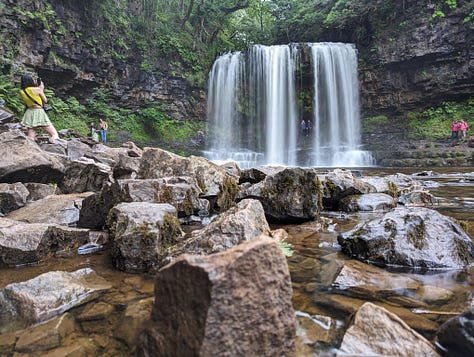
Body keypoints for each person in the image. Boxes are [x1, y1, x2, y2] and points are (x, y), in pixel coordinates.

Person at [19, 74, 60, 143]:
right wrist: (41, 89)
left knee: (31, 135)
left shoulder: (21, 92)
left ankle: (30, 148)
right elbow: (45, 100)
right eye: (33, 79)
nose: (34, 80)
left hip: (29, 112)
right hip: (38, 111)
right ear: (30, 81)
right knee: (54, 133)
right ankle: (57, 147)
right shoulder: (37, 89)